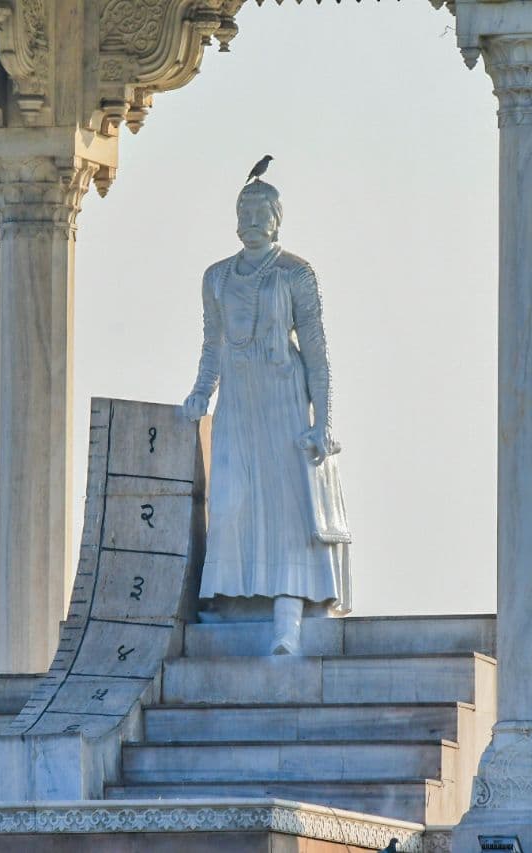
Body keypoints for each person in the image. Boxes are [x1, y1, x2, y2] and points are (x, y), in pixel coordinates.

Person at [183, 179, 350, 655]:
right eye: (245, 211)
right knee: (232, 501)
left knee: (287, 508)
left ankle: (286, 614)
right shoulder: (216, 277)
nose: (252, 221)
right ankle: (228, 598)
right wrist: (200, 391)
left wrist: (324, 421)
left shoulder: (296, 273)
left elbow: (317, 351)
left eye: (262, 213)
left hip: (284, 402)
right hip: (237, 403)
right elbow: (212, 342)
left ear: (277, 220)